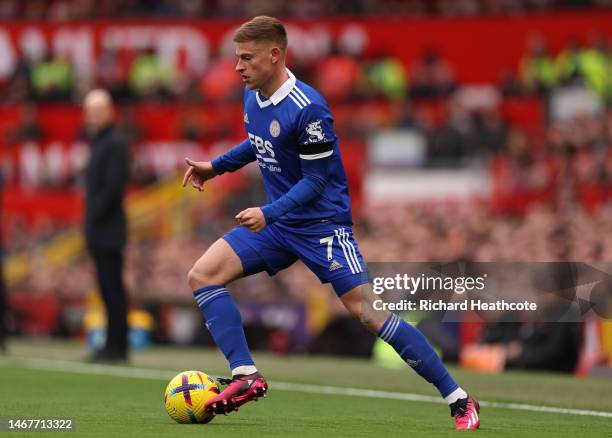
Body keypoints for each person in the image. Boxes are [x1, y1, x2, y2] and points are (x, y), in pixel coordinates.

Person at [182, 16, 480, 430]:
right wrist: (216, 167)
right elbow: (258, 142)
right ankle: (246, 375)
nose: (238, 67)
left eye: (246, 58)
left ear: (274, 55)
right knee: (202, 275)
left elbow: (317, 180)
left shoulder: (310, 108)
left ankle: (459, 399)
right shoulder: (253, 96)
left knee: (370, 313)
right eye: (236, 58)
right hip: (281, 223)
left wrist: (268, 212)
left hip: (322, 225)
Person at [83, 89, 130, 363]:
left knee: (113, 290)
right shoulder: (101, 142)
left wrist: (93, 219)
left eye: (95, 111)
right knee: (106, 289)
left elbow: (111, 189)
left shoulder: (113, 143)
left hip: (109, 231)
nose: (89, 116)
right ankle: (111, 344)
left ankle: (117, 346)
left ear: (108, 111)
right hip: (102, 230)